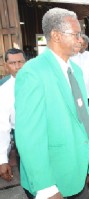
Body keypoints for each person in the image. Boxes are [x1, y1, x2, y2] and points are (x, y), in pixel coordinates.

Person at [14, 8, 89, 199]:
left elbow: (81, 117)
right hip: (53, 177)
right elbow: (29, 136)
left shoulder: (75, 69)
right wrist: (46, 188)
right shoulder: (33, 73)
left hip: (77, 169)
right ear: (56, 36)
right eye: (75, 34)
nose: (80, 40)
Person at [0, 48, 26, 182]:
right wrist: (2, 159)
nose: (17, 66)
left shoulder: (40, 82)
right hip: (22, 138)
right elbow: (3, 126)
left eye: (20, 62)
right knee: (29, 180)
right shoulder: (4, 90)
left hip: (48, 135)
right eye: (12, 63)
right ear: (6, 65)